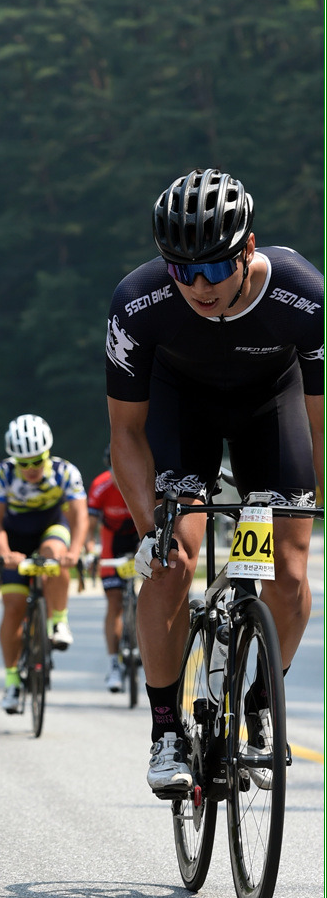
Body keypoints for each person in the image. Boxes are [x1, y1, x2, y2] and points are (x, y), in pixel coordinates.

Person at [106, 167, 323, 797]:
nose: (199, 285)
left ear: (248, 248)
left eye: (215, 267)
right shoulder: (138, 302)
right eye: (182, 270)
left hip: (271, 406)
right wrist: (149, 530)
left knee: (289, 572)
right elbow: (126, 435)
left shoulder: (304, 295)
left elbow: (320, 420)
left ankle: (260, 699)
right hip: (182, 408)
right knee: (171, 560)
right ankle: (167, 731)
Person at [0, 415, 88, 714]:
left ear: (47, 453)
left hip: (52, 528)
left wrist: (75, 551)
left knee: (55, 553)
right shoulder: (2, 473)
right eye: (23, 463)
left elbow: (80, 516)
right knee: (13, 607)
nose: (31, 468)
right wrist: (5, 552)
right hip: (14, 538)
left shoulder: (65, 471)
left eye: (37, 460)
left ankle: (58, 621)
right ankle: (12, 680)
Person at [87, 446, 139, 691]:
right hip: (112, 544)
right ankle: (114, 664)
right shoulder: (100, 486)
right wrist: (90, 550)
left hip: (139, 538)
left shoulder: (144, 482)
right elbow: (90, 527)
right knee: (115, 602)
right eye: (115, 469)